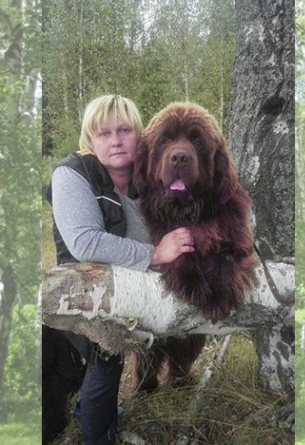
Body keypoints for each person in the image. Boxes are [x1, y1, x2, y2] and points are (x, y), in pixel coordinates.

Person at [45, 94, 194, 444]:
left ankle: (97, 412)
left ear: (139, 134)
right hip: (83, 288)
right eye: (104, 133)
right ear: (90, 139)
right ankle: (100, 436)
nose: (115, 141)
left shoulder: (150, 176)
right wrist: (156, 253)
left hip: (129, 284)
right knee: (106, 359)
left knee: (116, 359)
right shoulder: (72, 173)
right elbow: (86, 242)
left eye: (124, 130)